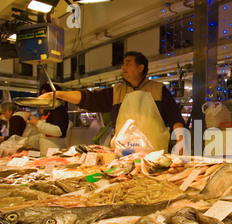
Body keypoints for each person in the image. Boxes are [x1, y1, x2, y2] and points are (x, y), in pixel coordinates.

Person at [38, 51, 186, 154]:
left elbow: (175, 118)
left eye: (128, 63)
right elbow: (88, 98)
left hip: (155, 154)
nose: (123, 67)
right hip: (124, 155)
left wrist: (181, 142)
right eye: (123, 64)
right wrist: (59, 95)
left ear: (140, 68)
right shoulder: (116, 92)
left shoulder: (159, 89)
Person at [26, 83, 70, 153]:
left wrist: (37, 122)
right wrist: (33, 123)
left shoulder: (59, 110)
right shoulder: (47, 110)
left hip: (55, 150)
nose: (42, 97)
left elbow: (58, 131)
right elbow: (44, 131)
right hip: (45, 150)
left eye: (45, 94)